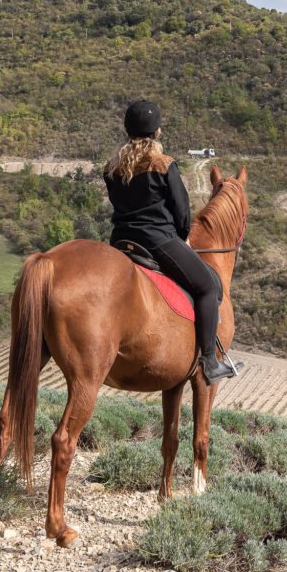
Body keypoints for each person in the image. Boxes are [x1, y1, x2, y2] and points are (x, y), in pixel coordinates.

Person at [104, 100, 237, 385]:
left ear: (126, 130)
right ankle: (210, 362)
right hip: (158, 242)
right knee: (209, 285)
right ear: (158, 132)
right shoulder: (165, 165)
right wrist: (182, 236)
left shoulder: (112, 167)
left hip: (120, 241)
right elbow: (181, 211)